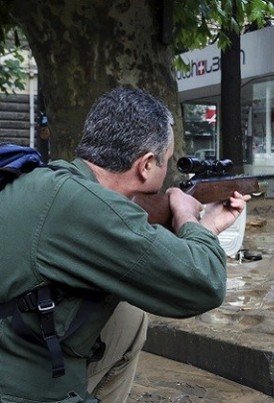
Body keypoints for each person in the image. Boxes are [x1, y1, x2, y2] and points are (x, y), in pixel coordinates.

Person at [0, 87, 249, 402]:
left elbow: (154, 258)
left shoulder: (57, 183)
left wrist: (208, 224)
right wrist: (187, 216)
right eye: (166, 162)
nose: (168, 174)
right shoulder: (85, 208)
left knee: (128, 319)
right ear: (145, 165)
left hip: (17, 337)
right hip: (14, 377)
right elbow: (205, 283)